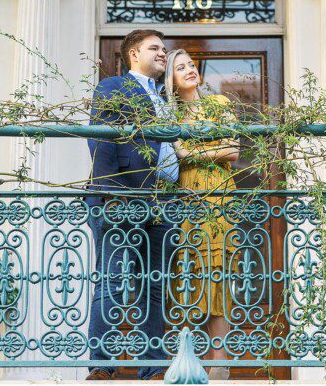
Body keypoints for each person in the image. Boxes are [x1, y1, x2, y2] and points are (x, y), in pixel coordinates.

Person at [86, 29, 179, 381]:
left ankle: (152, 366)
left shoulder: (164, 99)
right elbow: (102, 140)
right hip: (121, 197)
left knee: (152, 283)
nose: (163, 53)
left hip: (161, 200)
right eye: (154, 48)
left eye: (164, 49)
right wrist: (108, 193)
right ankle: (102, 365)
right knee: (111, 280)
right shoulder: (114, 87)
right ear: (133, 55)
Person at [163, 48, 240, 381]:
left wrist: (193, 151)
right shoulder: (170, 117)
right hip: (187, 198)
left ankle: (219, 362)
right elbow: (175, 155)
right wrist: (207, 151)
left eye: (191, 65)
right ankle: (187, 361)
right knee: (190, 274)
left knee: (218, 274)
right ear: (172, 80)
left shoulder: (219, 105)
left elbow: (233, 150)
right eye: (181, 68)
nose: (190, 70)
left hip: (220, 196)